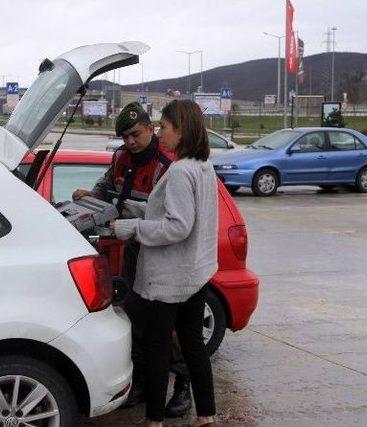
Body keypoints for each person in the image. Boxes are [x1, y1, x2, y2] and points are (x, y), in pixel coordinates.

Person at [72, 102, 193, 415]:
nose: (130, 141)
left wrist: (121, 212)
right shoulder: (121, 157)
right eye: (124, 137)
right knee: (136, 318)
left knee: (165, 325)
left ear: (151, 129)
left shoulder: (167, 165)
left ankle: (183, 385)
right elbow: (106, 185)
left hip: (161, 252)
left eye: (136, 135)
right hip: (133, 249)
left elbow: (163, 215)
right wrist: (90, 197)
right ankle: (141, 382)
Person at [113, 99, 218, 427]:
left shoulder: (180, 171)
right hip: (194, 275)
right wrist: (144, 213)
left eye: (164, 127)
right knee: (193, 347)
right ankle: (206, 415)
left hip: (170, 280)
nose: (160, 133)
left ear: (182, 130)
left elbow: (178, 226)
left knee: (158, 349)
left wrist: (133, 228)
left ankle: (154, 420)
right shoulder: (203, 167)